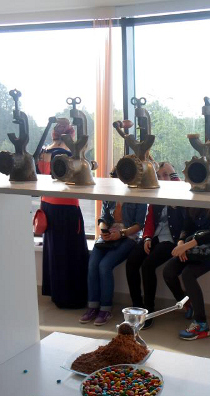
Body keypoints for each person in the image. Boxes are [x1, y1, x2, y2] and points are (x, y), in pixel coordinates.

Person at [79, 176, 147, 326]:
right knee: (92, 265)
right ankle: (92, 306)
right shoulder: (109, 194)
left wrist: (121, 234)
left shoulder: (139, 195)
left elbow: (139, 225)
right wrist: (104, 230)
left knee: (105, 266)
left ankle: (105, 309)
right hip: (109, 235)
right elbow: (103, 218)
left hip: (129, 236)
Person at [125, 162, 184, 329]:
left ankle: (148, 310)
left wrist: (174, 179)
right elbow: (149, 218)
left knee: (148, 266)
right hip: (155, 236)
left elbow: (186, 219)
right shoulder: (156, 191)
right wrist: (147, 238)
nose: (163, 179)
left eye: (167, 175)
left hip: (171, 239)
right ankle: (136, 306)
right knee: (132, 262)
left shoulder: (180, 191)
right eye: (159, 176)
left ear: (174, 176)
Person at [37, 118, 89, 309]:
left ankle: (57, 294)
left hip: (47, 204)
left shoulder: (44, 151)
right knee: (71, 250)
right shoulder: (67, 154)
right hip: (66, 204)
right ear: (71, 135)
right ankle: (72, 296)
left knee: (54, 250)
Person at [163, 208, 210, 340]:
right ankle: (187, 304)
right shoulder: (193, 206)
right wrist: (181, 243)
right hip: (192, 249)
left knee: (187, 274)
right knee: (168, 271)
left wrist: (186, 246)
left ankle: (202, 325)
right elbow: (186, 228)